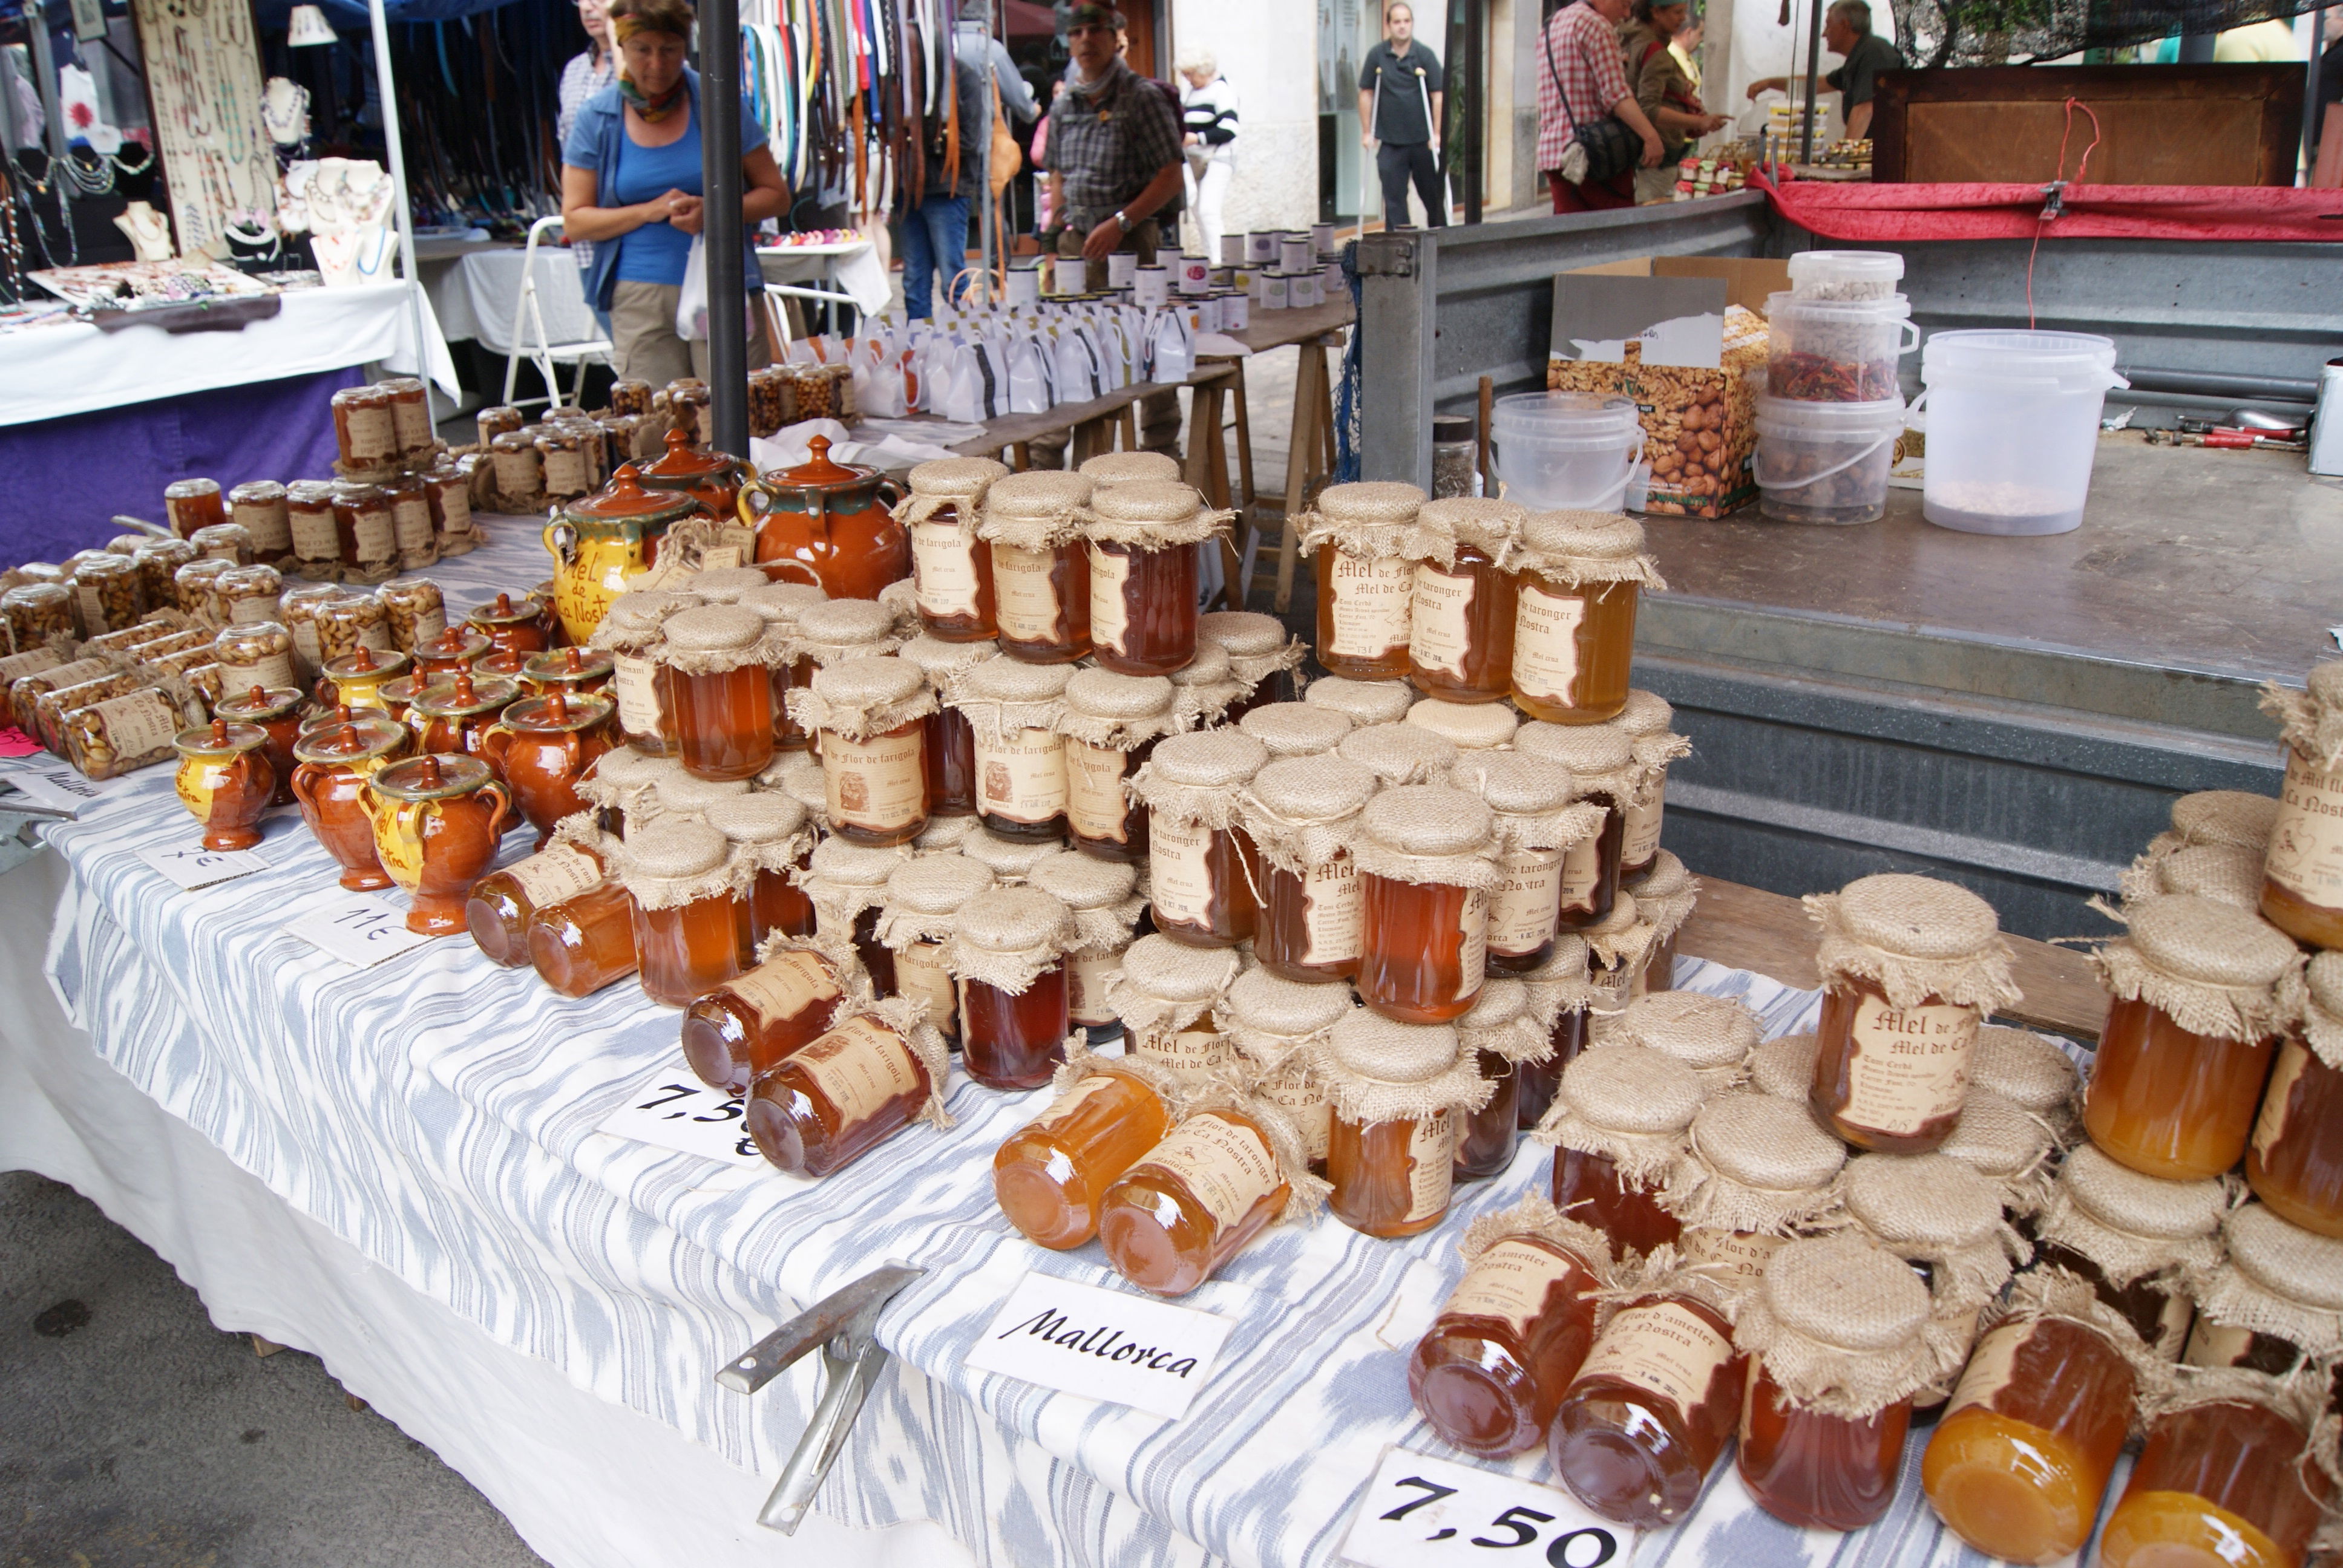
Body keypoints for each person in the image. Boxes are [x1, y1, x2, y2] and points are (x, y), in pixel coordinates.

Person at [560, 0, 788, 386]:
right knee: (659, 424)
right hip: (640, 294)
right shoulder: (597, 118)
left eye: (669, 50)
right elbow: (576, 220)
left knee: (740, 416)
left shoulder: (720, 102)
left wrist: (714, 211)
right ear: (622, 47)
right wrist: (648, 211)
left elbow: (776, 196)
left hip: (722, 282)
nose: (656, 64)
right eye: (642, 50)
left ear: (686, 47)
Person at [902, 0, 1038, 319]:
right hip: (917, 188)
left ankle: (960, 337)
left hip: (947, 185)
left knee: (952, 276)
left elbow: (969, 138)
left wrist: (920, 144)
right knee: (916, 280)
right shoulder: (909, 82)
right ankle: (917, 346)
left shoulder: (960, 73)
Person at [1535, 0, 1665, 213]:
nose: (1626, 14)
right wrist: (1651, 137)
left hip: (1557, 155)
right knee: (1615, 238)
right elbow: (1616, 96)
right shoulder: (1596, 24)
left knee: (1571, 238)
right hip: (1596, 156)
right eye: (1624, 4)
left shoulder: (1552, 25)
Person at [1745, 0, 1902, 142]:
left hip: (1888, 152)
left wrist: (1844, 156)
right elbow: (1816, 84)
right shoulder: (1858, 58)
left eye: (1828, 25)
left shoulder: (1873, 52)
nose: (1824, 33)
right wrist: (1770, 83)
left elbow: (1865, 109)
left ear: (1845, 25)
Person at [1621, 0, 1729, 201]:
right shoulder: (1655, 52)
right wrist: (1700, 122)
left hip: (1634, 150)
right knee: (1652, 215)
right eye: (1677, 12)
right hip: (1655, 155)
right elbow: (1650, 109)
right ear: (1656, 13)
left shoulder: (1631, 39)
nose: (1683, 18)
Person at [557, 0, 619, 332]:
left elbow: (637, 101)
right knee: (624, 350)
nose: (588, 7)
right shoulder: (575, 70)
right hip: (586, 234)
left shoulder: (643, 65)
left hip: (630, 224)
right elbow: (566, 144)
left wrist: (618, 31)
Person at [1357, 2, 1446, 229]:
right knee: (1394, 202)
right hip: (1390, 142)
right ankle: (1401, 251)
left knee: (1433, 197)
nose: (1402, 26)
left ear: (1412, 24)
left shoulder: (1424, 55)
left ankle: (1441, 246)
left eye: (1406, 21)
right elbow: (1366, 93)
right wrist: (1367, 132)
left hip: (1422, 142)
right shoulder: (1377, 55)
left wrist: (1436, 134)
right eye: (1397, 22)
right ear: (1388, 25)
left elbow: (1438, 95)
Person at [1179, 51, 1240, 262]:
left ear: (1203, 71)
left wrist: (1196, 138)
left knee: (1208, 211)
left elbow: (1230, 129)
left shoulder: (1222, 90)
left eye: (1190, 74)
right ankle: (1210, 259)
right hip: (1195, 158)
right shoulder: (1190, 92)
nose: (1188, 79)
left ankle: (1221, 263)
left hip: (1219, 156)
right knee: (1198, 212)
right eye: (1185, 75)